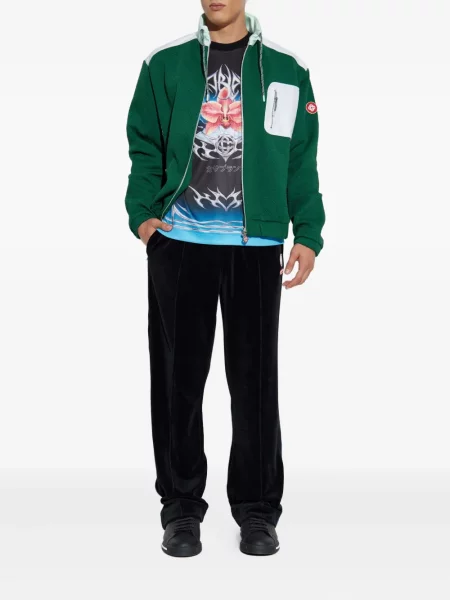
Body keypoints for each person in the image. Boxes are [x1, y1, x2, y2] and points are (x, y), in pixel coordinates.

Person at [124, 0, 325, 558]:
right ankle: (181, 509)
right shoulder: (164, 64)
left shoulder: (286, 70)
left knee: (255, 384)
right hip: (180, 242)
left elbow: (301, 158)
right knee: (178, 383)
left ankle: (257, 510)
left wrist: (307, 231)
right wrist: (143, 217)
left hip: (255, 246)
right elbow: (143, 145)